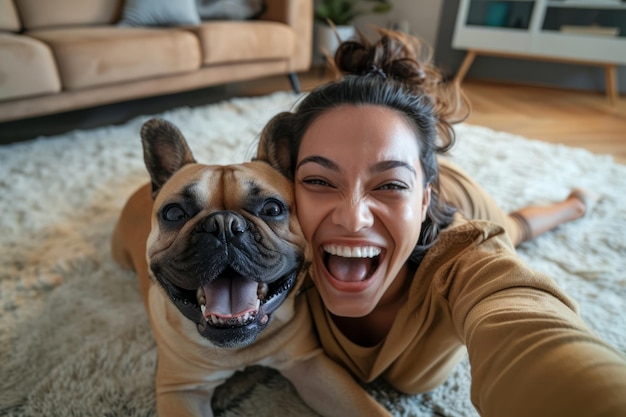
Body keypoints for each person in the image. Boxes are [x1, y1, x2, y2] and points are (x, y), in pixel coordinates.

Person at [254, 28, 626, 416]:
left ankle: (572, 206)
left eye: (390, 184)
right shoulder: (279, 240)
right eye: (318, 180)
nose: (352, 218)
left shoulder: (464, 256)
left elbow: (524, 316)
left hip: (456, 200)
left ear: (423, 196)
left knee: (514, 229)